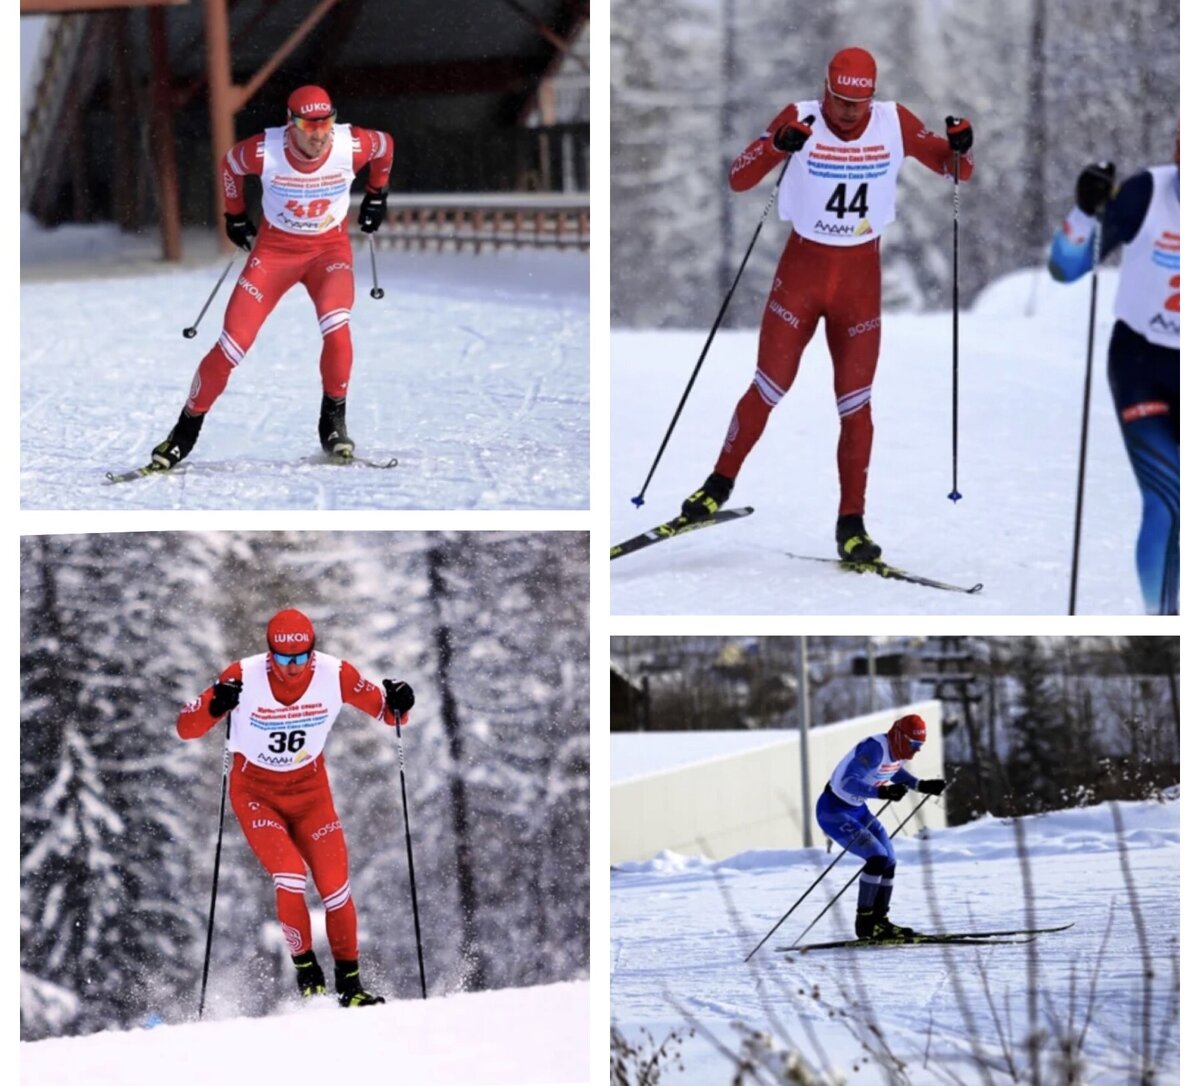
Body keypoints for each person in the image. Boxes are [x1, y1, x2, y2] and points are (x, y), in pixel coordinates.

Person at [681, 47, 974, 561]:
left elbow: (957, 171)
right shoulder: (801, 117)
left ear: (872, 97)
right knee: (769, 386)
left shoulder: (894, 122)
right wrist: (777, 145)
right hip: (801, 278)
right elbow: (739, 177)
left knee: (856, 406)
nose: (848, 113)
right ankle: (716, 485)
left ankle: (852, 526)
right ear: (826, 89)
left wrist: (960, 146)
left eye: (859, 103)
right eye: (840, 100)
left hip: (859, 289)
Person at [177, 607, 415, 1006]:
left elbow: (390, 714)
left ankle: (350, 987)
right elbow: (186, 727)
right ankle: (309, 979)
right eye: (284, 658)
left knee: (335, 886)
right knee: (290, 874)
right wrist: (216, 705)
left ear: (313, 651)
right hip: (256, 794)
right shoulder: (243, 675)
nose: (293, 667)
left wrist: (400, 702)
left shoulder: (336, 674)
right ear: (269, 653)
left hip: (311, 795)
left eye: (302, 657)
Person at [150, 85, 393, 470]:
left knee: (337, 327)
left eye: (326, 123)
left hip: (328, 253)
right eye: (308, 126)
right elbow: (230, 165)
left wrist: (377, 194)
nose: (319, 135)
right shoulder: (265, 150)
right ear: (290, 123)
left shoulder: (352, 144)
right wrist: (234, 215)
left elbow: (385, 146)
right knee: (232, 344)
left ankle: (333, 423)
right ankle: (183, 433)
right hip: (275, 254)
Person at [1048, 135, 1179, 615]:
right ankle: (1164, 622)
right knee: (1169, 497)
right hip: (1141, 363)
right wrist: (1085, 211)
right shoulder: (1146, 193)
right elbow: (1065, 268)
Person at [815, 713, 945, 940]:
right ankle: (865, 924)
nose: (916, 751)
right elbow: (848, 781)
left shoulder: (898, 751)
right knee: (877, 857)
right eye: (914, 744)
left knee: (889, 860)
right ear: (900, 737)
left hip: (858, 809)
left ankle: (880, 921)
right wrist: (882, 792)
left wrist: (921, 785)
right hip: (833, 810)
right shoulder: (875, 749)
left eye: (920, 746)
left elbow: (893, 770)